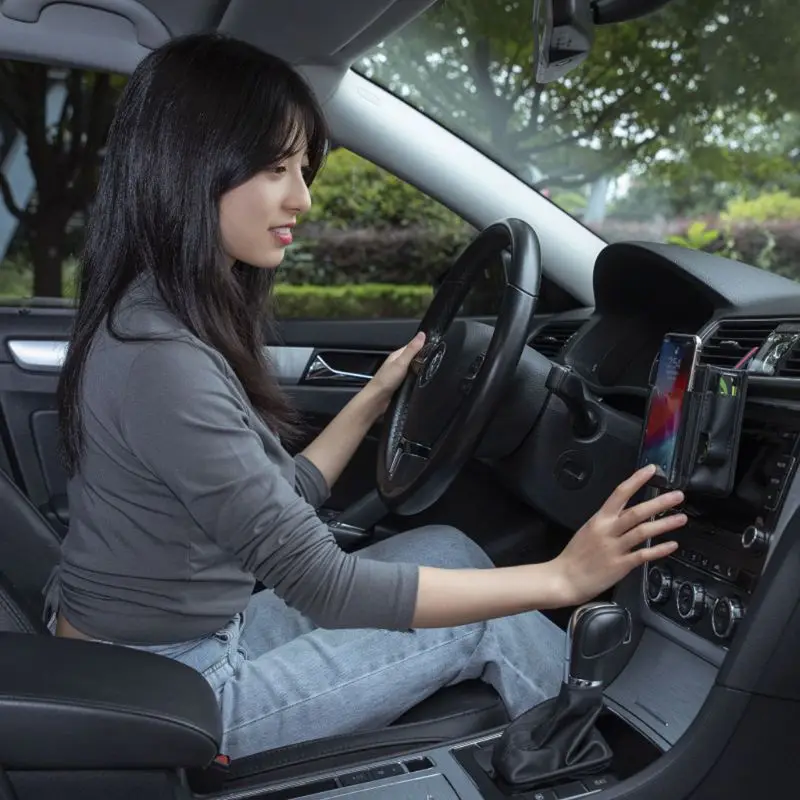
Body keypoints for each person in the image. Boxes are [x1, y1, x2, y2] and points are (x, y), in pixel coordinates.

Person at [47, 33, 686, 760]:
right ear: (190, 170)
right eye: (275, 167)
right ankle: (623, 771)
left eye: (303, 167)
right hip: (180, 689)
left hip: (164, 645)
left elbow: (277, 498)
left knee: (450, 547)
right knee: (476, 619)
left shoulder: (153, 319)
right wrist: (564, 576)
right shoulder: (164, 362)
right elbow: (325, 586)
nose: (303, 197)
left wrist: (377, 396)